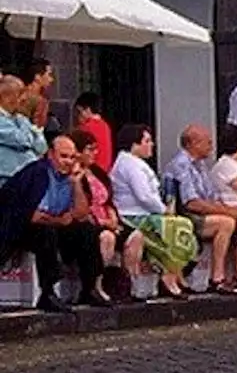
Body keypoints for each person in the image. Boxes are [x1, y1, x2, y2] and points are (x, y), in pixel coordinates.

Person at [0, 136, 106, 311]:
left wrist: (76, 184)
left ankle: (89, 288)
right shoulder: (37, 173)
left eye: (72, 158)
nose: (68, 162)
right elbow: (33, 216)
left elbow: (81, 214)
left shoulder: (73, 177)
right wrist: (60, 220)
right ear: (51, 155)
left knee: (87, 231)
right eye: (64, 156)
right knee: (45, 232)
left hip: (55, 225)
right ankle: (47, 293)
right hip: (23, 227)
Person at [164, 125, 237, 295]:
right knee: (226, 223)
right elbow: (191, 203)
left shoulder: (201, 165)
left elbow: (211, 195)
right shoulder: (181, 165)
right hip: (185, 215)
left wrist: (228, 208)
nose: (211, 146)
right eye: (208, 142)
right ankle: (217, 279)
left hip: (203, 211)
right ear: (194, 143)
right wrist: (227, 212)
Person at [110, 124, 197, 300]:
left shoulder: (134, 163)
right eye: (147, 141)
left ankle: (173, 273)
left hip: (145, 214)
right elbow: (144, 196)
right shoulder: (130, 165)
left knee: (181, 225)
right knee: (178, 226)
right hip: (133, 216)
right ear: (134, 144)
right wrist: (164, 211)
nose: (152, 145)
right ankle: (169, 276)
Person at [68, 129, 143, 303]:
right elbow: (79, 208)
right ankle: (96, 285)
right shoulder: (73, 175)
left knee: (136, 236)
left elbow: (108, 199)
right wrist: (103, 223)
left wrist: (113, 219)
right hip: (89, 220)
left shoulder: (99, 173)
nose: (95, 153)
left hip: (107, 217)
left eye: (96, 148)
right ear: (78, 152)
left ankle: (126, 284)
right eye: (90, 149)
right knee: (106, 237)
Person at [0, 74, 47, 188]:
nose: (24, 99)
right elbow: (20, 140)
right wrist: (32, 135)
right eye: (21, 94)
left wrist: (35, 134)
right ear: (7, 97)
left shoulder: (22, 119)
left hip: (30, 177)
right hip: (7, 179)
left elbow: (42, 147)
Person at [73, 92, 114, 172]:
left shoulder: (85, 128)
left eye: (79, 112)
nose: (77, 116)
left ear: (87, 109)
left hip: (90, 172)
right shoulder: (105, 126)